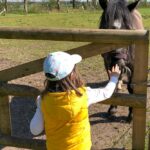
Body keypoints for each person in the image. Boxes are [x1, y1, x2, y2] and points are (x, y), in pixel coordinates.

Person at [30, 51, 121, 150]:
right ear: (72, 74)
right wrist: (114, 78)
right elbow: (106, 92)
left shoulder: (43, 100)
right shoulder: (83, 95)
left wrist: (39, 106)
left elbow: (35, 130)